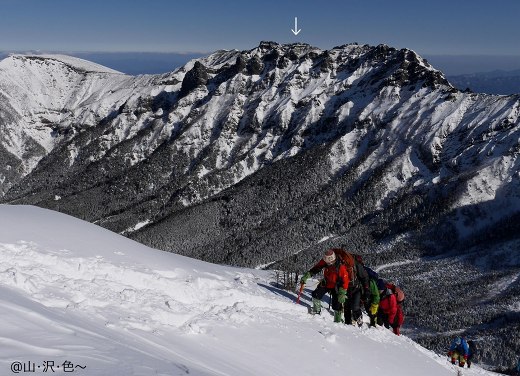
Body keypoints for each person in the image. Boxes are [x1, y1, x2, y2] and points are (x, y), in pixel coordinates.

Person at [300, 249, 350, 323]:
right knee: (316, 294)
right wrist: (306, 276)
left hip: (337, 286)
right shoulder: (325, 261)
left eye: (330, 262)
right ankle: (317, 312)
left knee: (337, 303)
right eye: (327, 262)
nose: (328, 264)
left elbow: (345, 280)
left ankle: (338, 320)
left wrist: (343, 292)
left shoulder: (341, 267)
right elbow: (316, 268)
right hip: (327, 282)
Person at [342, 252, 370, 327]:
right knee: (347, 307)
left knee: (354, 307)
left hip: (355, 289)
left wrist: (366, 289)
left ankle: (358, 323)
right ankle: (349, 324)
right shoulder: (345, 264)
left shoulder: (356, 265)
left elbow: (364, 277)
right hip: (351, 288)